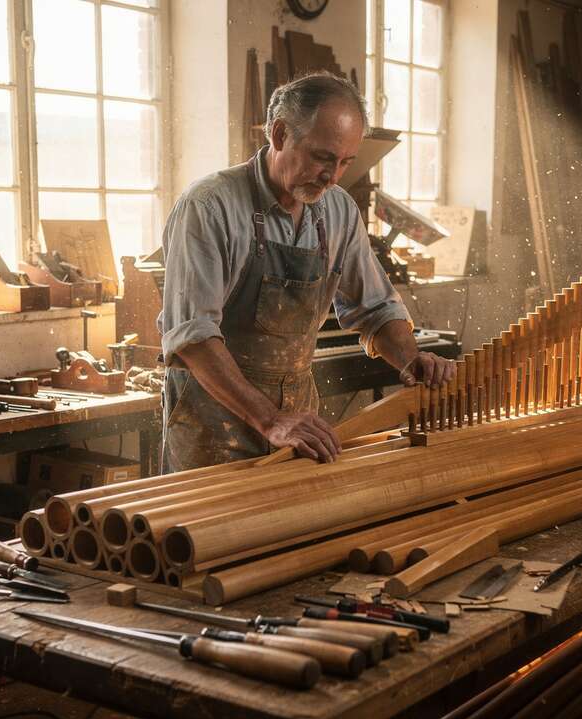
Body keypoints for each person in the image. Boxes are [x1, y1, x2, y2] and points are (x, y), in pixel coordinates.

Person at [157, 72, 455, 473]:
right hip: (211, 427)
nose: (333, 178)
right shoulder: (210, 206)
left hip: (297, 425)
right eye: (323, 158)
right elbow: (193, 336)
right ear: (279, 135)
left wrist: (410, 359)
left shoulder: (338, 210)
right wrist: (269, 419)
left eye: (345, 162)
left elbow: (376, 309)